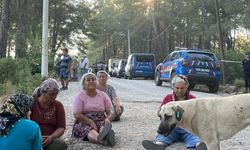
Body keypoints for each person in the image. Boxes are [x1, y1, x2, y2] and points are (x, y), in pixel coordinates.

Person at [142, 75, 207, 150]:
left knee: (195, 136)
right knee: (162, 135)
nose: (179, 90)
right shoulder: (168, 98)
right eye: (177, 88)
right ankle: (159, 145)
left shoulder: (192, 99)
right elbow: (159, 113)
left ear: (187, 87)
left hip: (188, 128)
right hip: (172, 128)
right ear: (173, 87)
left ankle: (200, 146)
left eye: (182, 88)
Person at [71, 72, 116, 147]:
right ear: (84, 84)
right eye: (88, 80)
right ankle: (103, 141)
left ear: (96, 82)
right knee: (89, 130)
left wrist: (108, 119)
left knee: (103, 127)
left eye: (93, 79)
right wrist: (90, 121)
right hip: (84, 122)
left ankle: (105, 135)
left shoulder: (103, 95)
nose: (91, 81)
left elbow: (110, 111)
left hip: (101, 119)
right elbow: (77, 114)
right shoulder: (79, 96)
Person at [31, 78, 68, 150]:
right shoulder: (32, 103)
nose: (54, 97)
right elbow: (25, 124)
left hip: (50, 138)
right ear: (43, 92)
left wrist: (51, 137)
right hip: (33, 137)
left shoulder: (58, 105)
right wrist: (37, 137)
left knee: (61, 145)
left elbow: (61, 127)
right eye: (51, 94)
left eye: (56, 94)